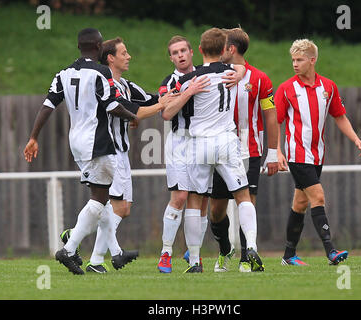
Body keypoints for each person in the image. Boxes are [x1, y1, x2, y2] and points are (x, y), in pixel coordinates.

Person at [23, 28, 137, 275]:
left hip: (76, 142)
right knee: (98, 199)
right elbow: (112, 105)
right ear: (98, 46)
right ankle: (70, 246)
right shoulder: (101, 72)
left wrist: (33, 137)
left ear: (79, 47)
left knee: (103, 196)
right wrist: (133, 117)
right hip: (98, 141)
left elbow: (47, 105)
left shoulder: (63, 73)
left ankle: (116, 253)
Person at [76, 37, 181, 273]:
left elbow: (150, 99)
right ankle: (93, 256)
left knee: (121, 208)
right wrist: (153, 109)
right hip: (108, 152)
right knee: (114, 206)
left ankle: (79, 241)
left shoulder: (126, 85)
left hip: (120, 152)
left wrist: (177, 91)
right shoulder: (106, 85)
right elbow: (137, 111)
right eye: (124, 53)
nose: (129, 56)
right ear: (110, 58)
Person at [174, 27, 264, 273]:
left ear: (200, 50)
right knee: (243, 196)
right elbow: (242, 68)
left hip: (199, 144)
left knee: (195, 201)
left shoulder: (189, 80)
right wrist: (238, 72)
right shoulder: (234, 74)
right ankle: (252, 246)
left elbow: (171, 109)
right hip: (226, 141)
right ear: (225, 50)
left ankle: (194, 260)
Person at [275, 39, 361, 266]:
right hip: (297, 154)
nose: (295, 64)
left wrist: (356, 138)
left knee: (300, 203)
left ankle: (289, 255)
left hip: (317, 155)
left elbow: (339, 116)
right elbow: (274, 122)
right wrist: (276, 152)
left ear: (312, 60)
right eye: (293, 60)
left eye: (299, 60)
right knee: (318, 196)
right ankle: (331, 251)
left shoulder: (328, 87)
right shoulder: (286, 89)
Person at [208, 27, 279, 273]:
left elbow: (271, 117)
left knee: (246, 203)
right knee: (216, 211)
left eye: (223, 45)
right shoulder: (215, 74)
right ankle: (225, 248)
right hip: (218, 151)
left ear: (231, 49)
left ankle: (246, 258)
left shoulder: (260, 79)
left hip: (249, 152)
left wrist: (273, 152)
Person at [157, 36, 212, 273]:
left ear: (192, 52)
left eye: (183, 50)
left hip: (203, 143)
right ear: (171, 57)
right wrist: (188, 92)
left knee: (200, 202)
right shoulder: (169, 82)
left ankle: (194, 252)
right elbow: (166, 113)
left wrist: (240, 74)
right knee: (179, 197)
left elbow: (237, 65)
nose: (180, 55)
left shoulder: (206, 73)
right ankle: (166, 253)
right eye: (175, 52)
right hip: (180, 142)